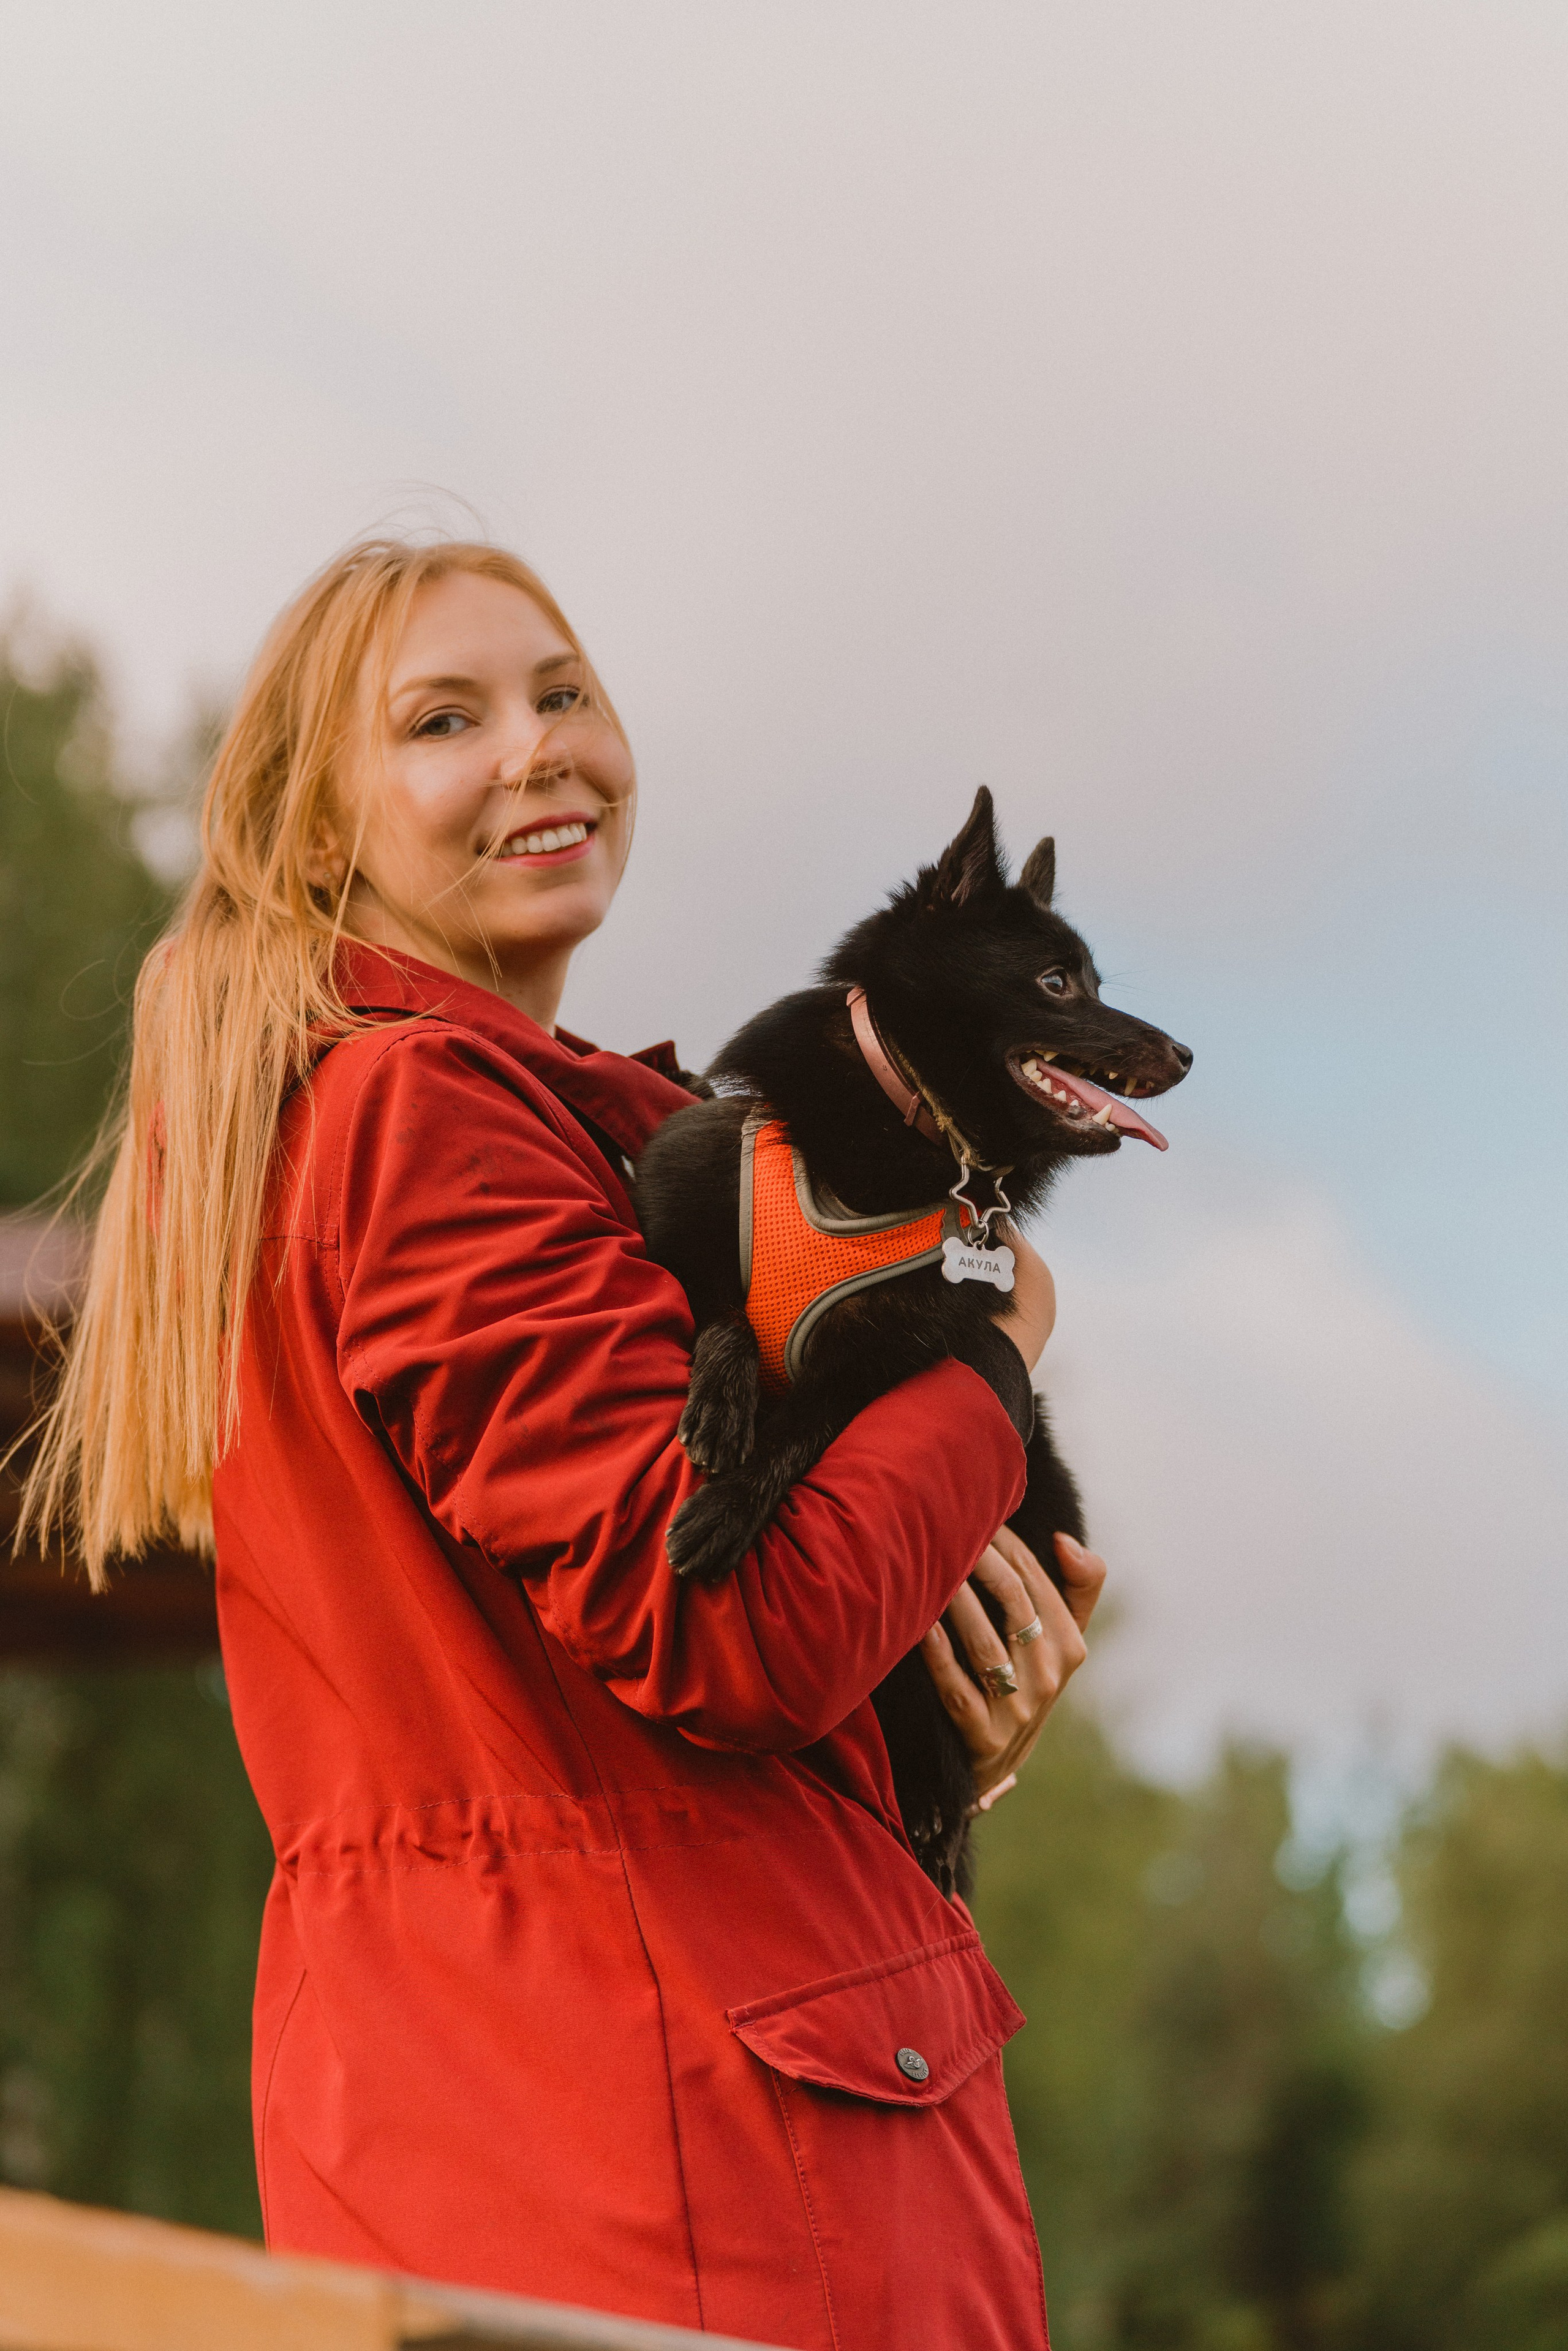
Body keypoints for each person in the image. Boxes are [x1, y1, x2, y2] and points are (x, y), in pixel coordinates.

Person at [23, 539, 1106, 2350]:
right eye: (445, 721)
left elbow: (643, 1661)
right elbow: (728, 1618)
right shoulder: (424, 1120)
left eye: (563, 692)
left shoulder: (513, 1132)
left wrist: (931, 1719)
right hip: (682, 2161)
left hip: (594, 2111)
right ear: (318, 837)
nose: (539, 749)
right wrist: (992, 1364)